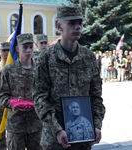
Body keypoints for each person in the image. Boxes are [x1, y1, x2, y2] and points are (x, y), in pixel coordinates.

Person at [33, 5, 105, 150]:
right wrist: (57, 129)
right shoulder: (46, 58)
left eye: (80, 23)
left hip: (83, 136)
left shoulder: (89, 57)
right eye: (72, 23)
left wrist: (96, 125)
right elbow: (40, 98)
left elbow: (96, 96)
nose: (78, 27)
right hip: (55, 139)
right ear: (59, 26)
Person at [0, 33, 42, 150]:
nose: (28, 50)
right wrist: (14, 104)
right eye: (25, 47)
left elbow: (46, 94)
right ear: (18, 49)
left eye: (31, 47)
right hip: (16, 125)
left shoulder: (40, 69)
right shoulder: (9, 70)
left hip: (36, 124)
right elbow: (2, 96)